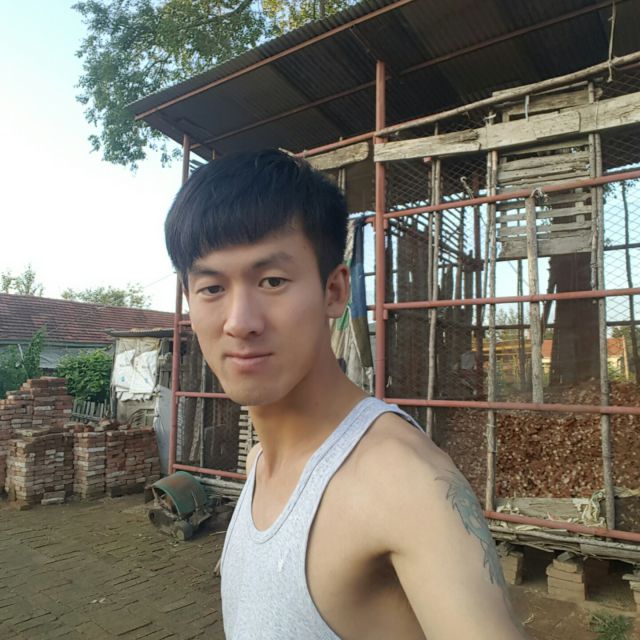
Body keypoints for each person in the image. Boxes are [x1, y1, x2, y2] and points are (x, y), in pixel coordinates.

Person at [164, 149, 527, 639]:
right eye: (211, 288)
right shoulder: (260, 464)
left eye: (272, 281)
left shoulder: (405, 484)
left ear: (334, 291)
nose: (240, 322)